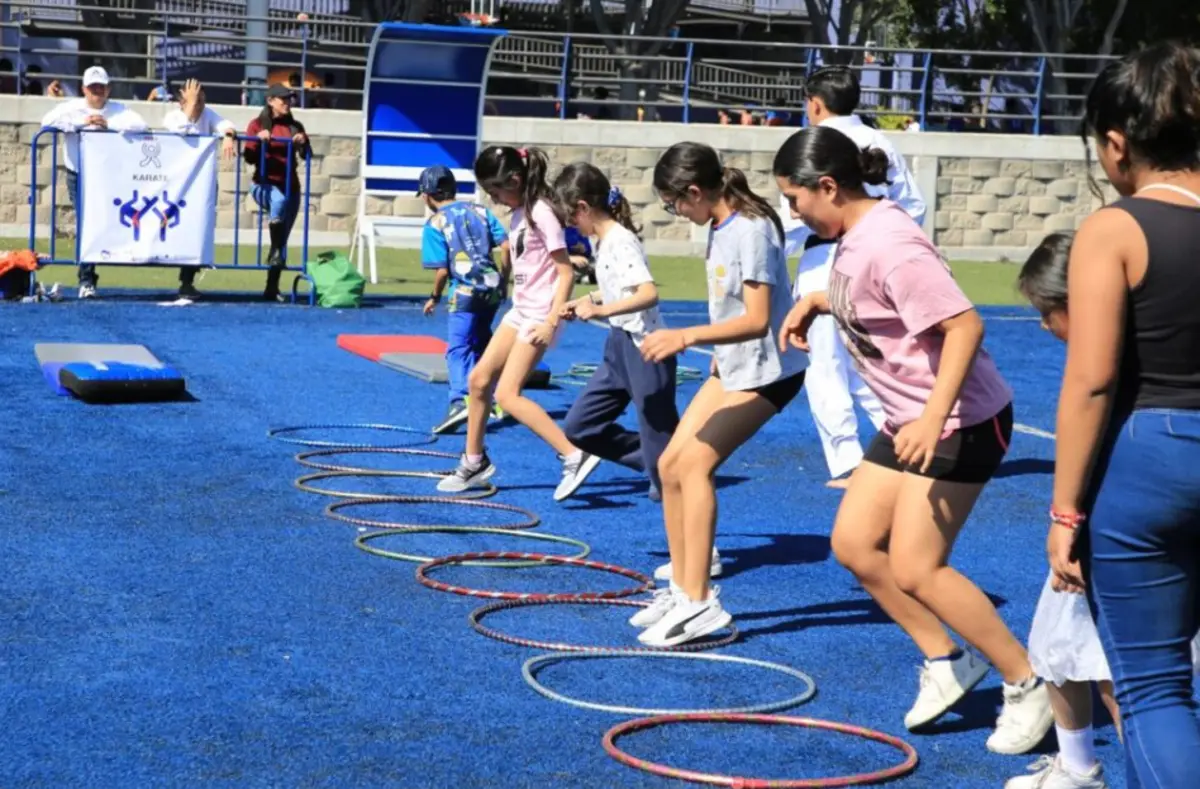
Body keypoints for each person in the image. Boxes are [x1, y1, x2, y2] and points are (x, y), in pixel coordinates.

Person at [774, 126, 1052, 753]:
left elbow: (964, 325)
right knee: (853, 544)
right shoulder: (852, 234)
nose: (793, 213)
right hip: (909, 418)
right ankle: (947, 660)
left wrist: (933, 417)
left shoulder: (892, 242)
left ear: (828, 187)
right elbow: (876, 298)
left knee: (917, 566)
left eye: (795, 200)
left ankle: (1028, 681)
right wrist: (819, 300)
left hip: (959, 422)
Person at [1048, 41, 1200, 789]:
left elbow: (1092, 381)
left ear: (1118, 142)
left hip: (1155, 457)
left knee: (1153, 689)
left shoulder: (1116, 228)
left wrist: (1065, 513)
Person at [633, 142, 807, 648]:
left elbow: (755, 321)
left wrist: (686, 337)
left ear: (694, 191)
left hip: (770, 372)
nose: (677, 213)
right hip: (733, 365)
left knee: (693, 467)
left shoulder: (750, 230)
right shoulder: (721, 225)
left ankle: (701, 602)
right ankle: (683, 587)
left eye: (674, 205)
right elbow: (732, 310)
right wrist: (715, 348)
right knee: (668, 467)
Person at [783, 65, 925, 487]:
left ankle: (847, 462)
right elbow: (913, 206)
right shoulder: (881, 142)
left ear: (815, 103)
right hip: (879, 261)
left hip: (825, 263)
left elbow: (794, 218)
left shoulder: (808, 146)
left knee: (826, 366)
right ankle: (904, 445)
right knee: (873, 360)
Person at [437, 146, 602, 502]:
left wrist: (550, 321)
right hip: (520, 309)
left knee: (507, 395)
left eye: (496, 191)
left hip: (540, 314)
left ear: (514, 180)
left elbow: (565, 271)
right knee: (478, 380)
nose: (494, 199)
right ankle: (474, 461)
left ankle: (574, 454)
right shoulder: (519, 212)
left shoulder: (542, 212)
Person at [554, 163, 678, 505]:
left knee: (660, 442)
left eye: (570, 217)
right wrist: (587, 299)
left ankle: (672, 473)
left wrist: (599, 311)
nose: (569, 226)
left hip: (647, 349)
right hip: (619, 348)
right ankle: (663, 463)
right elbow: (616, 290)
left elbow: (648, 293)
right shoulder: (602, 242)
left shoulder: (621, 241)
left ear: (583, 207)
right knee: (579, 426)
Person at [39, 65, 147, 299]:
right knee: (86, 224)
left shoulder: (118, 110)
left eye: (101, 87)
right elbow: (47, 121)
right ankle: (86, 279)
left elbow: (140, 124)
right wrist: (81, 123)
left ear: (108, 89)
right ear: (84, 89)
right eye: (92, 87)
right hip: (78, 174)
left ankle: (96, 272)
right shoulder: (71, 107)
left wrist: (109, 125)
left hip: (108, 176)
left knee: (105, 223)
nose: (97, 91)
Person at [417, 165, 511, 435]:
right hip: (491, 289)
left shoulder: (434, 224)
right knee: (482, 342)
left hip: (464, 293)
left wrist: (434, 296)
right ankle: (490, 398)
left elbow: (443, 270)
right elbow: (506, 247)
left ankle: (459, 401)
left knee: (458, 349)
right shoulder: (480, 211)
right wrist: (504, 281)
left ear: (427, 195)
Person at [162, 78, 238, 300]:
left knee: (198, 229)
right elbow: (183, 130)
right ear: (181, 99)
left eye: (202, 95)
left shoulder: (208, 113)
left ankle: (187, 281)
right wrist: (192, 105)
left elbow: (227, 125)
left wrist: (229, 136)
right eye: (195, 95)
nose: (200, 100)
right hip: (175, 183)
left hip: (201, 183)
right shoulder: (172, 117)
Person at [242, 83, 309, 301]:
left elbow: (307, 157)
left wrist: (303, 143)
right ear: (270, 101)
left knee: (282, 240)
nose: (288, 102)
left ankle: (271, 287)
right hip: (263, 185)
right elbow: (249, 158)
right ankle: (275, 253)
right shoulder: (257, 124)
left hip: (292, 187)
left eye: (289, 99)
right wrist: (258, 141)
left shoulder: (295, 126)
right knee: (278, 201)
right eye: (283, 99)